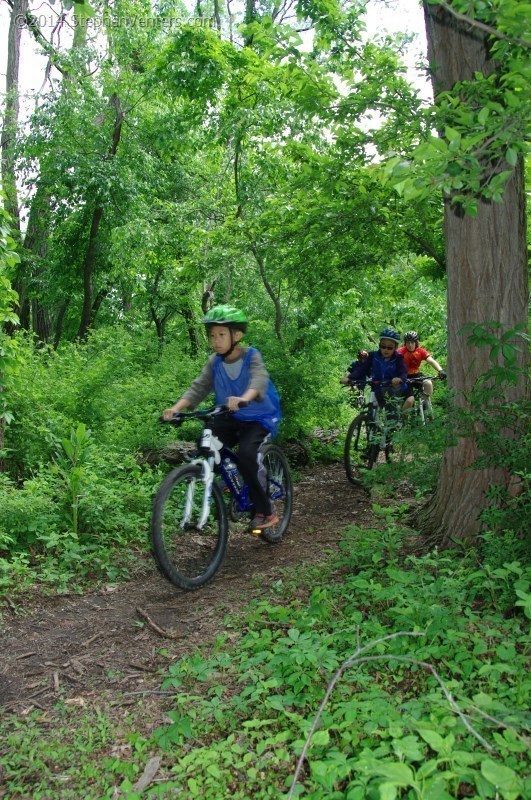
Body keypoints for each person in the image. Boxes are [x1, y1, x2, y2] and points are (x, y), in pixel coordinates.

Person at [162, 305, 282, 531]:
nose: (215, 340)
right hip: (230, 415)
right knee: (206, 445)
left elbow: (258, 381)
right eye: (212, 336)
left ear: (236, 335)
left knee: (247, 453)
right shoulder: (214, 362)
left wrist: (243, 397)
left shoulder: (251, 355)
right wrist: (175, 409)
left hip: (260, 416)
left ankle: (265, 508)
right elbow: (198, 388)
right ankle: (233, 479)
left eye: (221, 335)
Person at [347, 329, 407, 409]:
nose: (386, 349)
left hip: (392, 389)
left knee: (391, 413)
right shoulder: (373, 356)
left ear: (395, 347)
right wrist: (349, 377)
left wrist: (399, 378)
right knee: (373, 409)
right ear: (379, 345)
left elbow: (403, 372)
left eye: (390, 347)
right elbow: (362, 369)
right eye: (383, 346)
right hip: (377, 387)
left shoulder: (398, 358)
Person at [397, 331, 446, 410]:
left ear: (416, 342)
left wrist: (440, 370)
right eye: (408, 343)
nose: (410, 345)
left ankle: (423, 407)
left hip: (416, 375)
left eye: (412, 342)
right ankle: (402, 419)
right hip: (404, 376)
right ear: (405, 343)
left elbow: (431, 361)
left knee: (428, 384)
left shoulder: (420, 351)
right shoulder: (400, 352)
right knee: (409, 400)